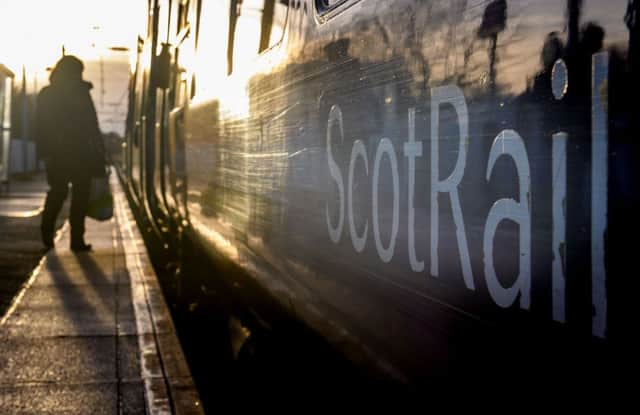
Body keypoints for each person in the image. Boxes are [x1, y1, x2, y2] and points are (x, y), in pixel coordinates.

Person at [35, 55, 106, 251]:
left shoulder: (74, 93)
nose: (78, 76)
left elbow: (92, 124)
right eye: (76, 72)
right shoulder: (51, 94)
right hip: (62, 153)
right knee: (62, 193)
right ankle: (49, 232)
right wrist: (46, 152)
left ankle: (75, 240)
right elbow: (42, 126)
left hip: (78, 153)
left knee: (77, 195)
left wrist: (99, 149)